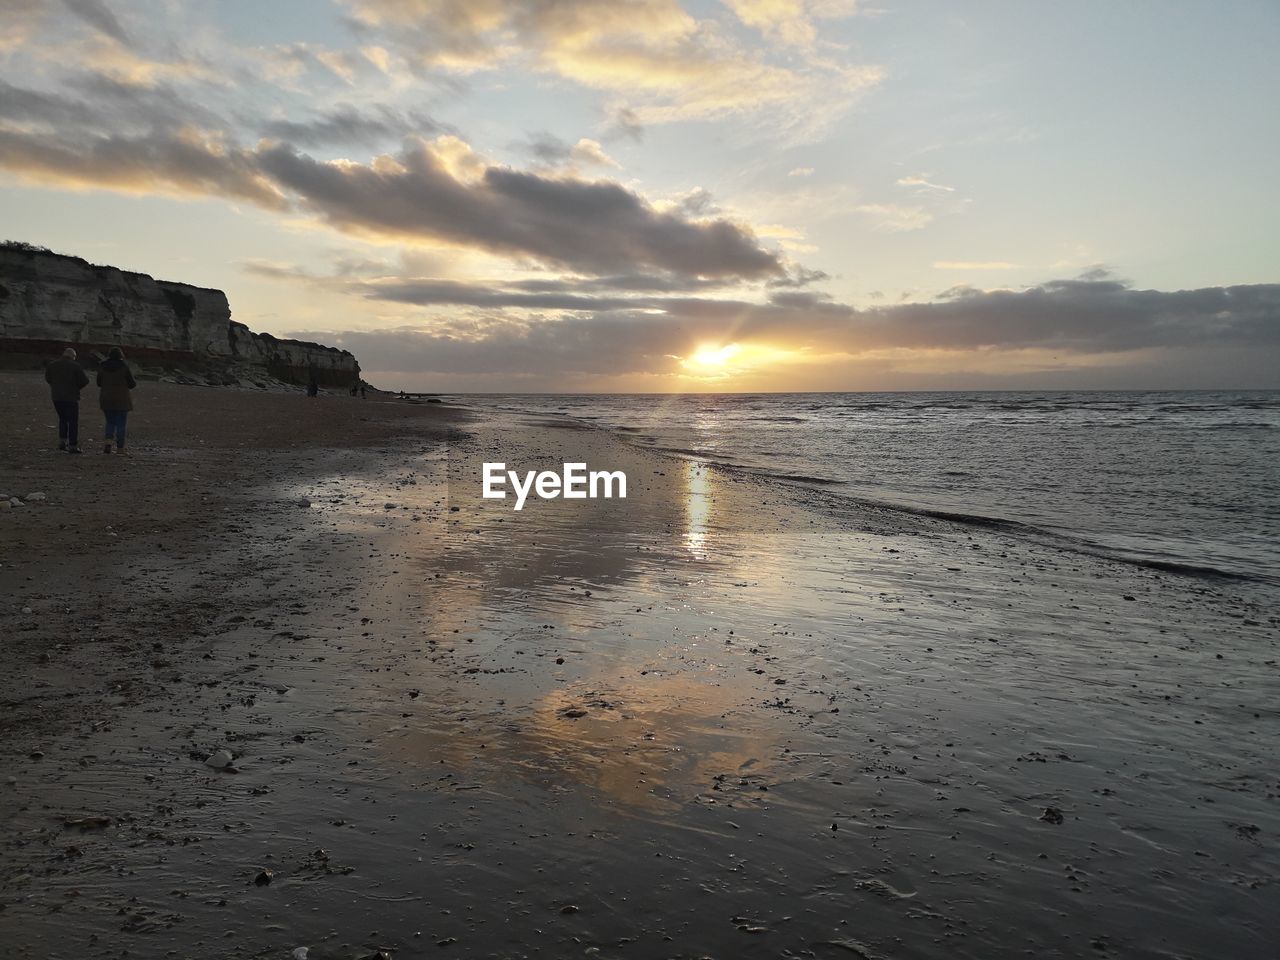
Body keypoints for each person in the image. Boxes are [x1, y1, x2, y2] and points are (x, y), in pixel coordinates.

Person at [44, 347, 90, 453]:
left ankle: (62, 442)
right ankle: (73, 445)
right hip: (71, 397)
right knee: (73, 421)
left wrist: (56, 386)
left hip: (56, 397)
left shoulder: (52, 365)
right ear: (73, 357)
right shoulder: (75, 366)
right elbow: (84, 381)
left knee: (63, 419)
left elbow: (48, 379)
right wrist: (75, 387)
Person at [97, 346, 137, 455]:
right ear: (121, 355)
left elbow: (99, 383)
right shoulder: (124, 366)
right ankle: (120, 448)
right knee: (121, 424)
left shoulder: (102, 366)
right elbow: (132, 384)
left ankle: (108, 444)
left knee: (110, 422)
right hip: (121, 399)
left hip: (106, 398)